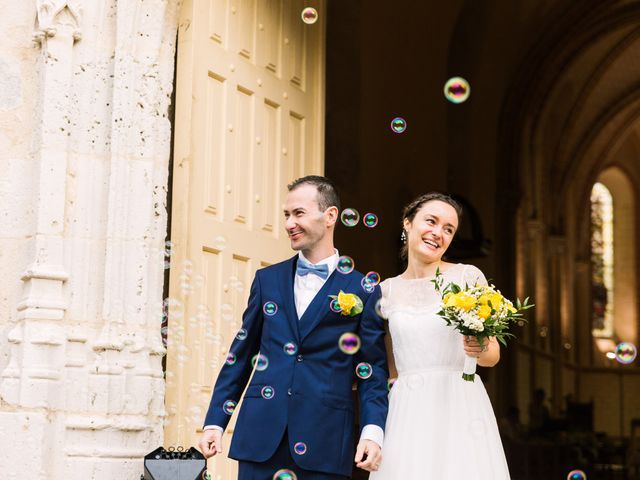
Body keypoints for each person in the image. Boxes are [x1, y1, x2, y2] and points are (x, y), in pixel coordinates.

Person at [198, 176, 389, 479]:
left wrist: (372, 431)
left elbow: (373, 370)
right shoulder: (267, 280)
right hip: (260, 438)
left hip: (325, 440)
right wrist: (215, 421)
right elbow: (241, 354)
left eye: (298, 213)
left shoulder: (362, 289)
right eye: (286, 215)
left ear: (330, 216)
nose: (289, 223)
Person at [369, 192, 511, 479]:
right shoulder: (385, 292)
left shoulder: (467, 277)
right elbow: (389, 364)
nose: (438, 233)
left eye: (448, 229)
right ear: (408, 223)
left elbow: (492, 357)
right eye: (431, 221)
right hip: (407, 408)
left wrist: (479, 346)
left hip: (459, 402)